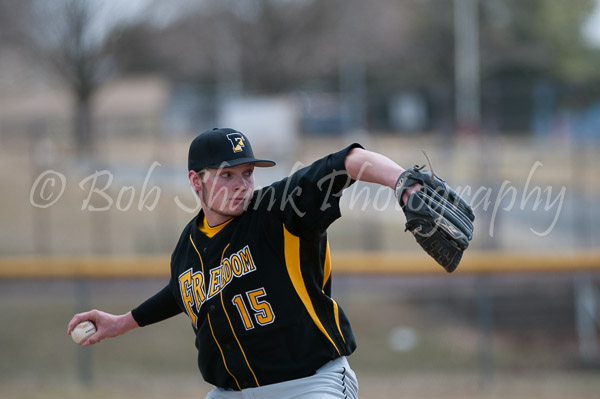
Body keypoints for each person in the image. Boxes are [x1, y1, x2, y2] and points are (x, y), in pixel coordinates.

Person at [67, 127, 420, 399]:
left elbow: (347, 162)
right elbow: (183, 291)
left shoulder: (280, 210)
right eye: (227, 175)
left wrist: (404, 184)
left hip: (309, 386)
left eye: (247, 172)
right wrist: (121, 322)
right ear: (196, 180)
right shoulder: (189, 244)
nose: (242, 185)